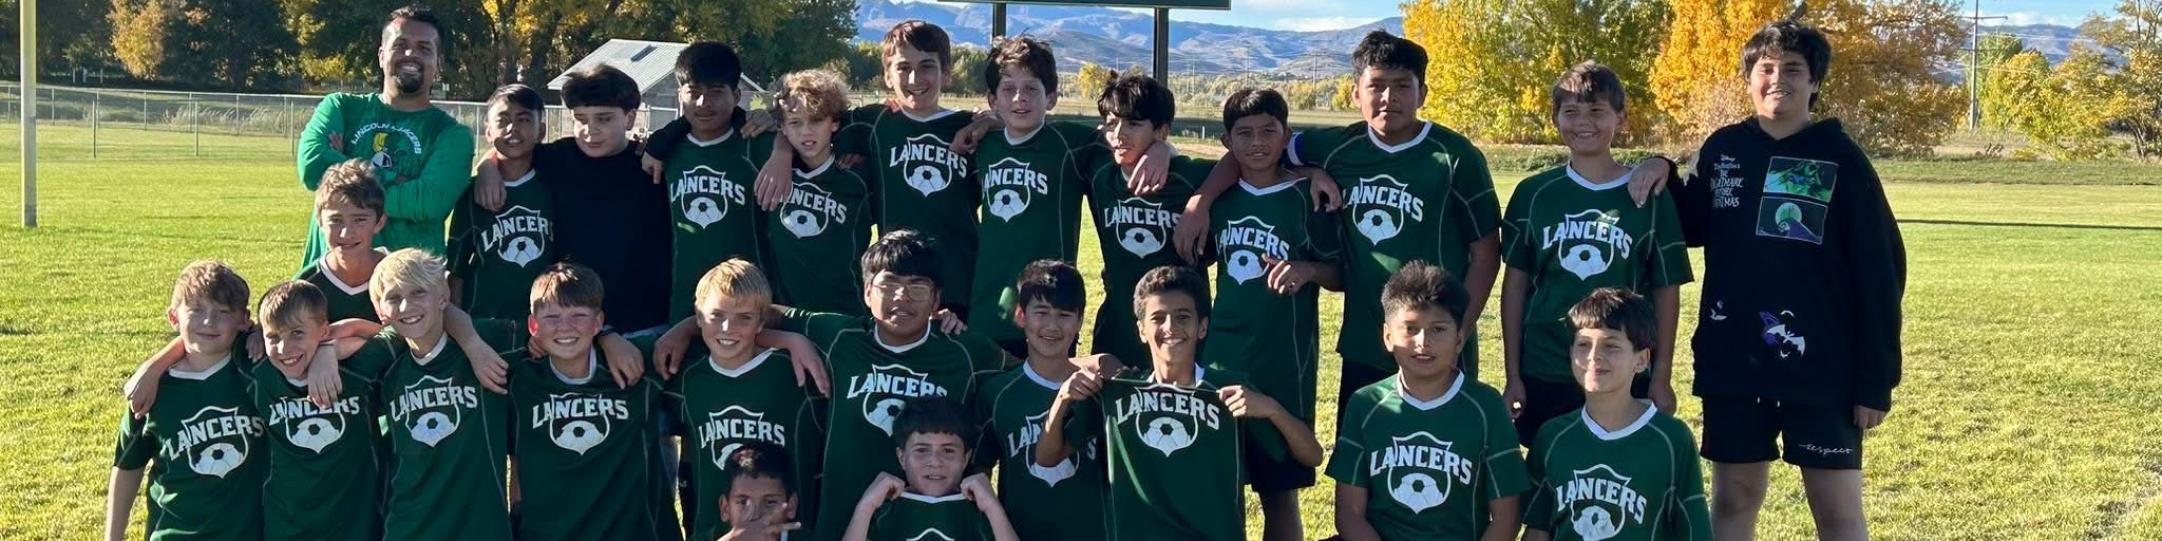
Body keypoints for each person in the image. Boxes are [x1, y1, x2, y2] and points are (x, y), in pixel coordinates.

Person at [1670, 20, 1906, 541]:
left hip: (1823, 366)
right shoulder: (1724, 149)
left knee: (1836, 509)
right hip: (1735, 360)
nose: (1779, 79)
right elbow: (1691, 226)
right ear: (1750, 78)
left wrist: (1876, 378)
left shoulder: (1839, 157)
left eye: (1793, 70)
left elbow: (1881, 270)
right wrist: (1660, 171)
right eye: (1767, 69)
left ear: (1815, 83)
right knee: (1733, 499)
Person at [653, 229, 1008, 541]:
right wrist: (687, 328)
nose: (902, 297)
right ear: (867, 292)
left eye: (917, 287)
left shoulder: (966, 351)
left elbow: (1031, 374)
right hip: (843, 520)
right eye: (889, 285)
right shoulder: (838, 336)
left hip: (931, 521)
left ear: (936, 299)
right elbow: (752, 312)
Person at [1037, 266, 1323, 541]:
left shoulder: (1228, 390)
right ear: (1141, 329)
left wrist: (1272, 409)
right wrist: (1062, 399)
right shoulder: (1118, 392)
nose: (1170, 327)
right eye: (1158, 318)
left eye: (1183, 317)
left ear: (1202, 328)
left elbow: (1312, 456)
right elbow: (1047, 457)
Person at [1500, 61, 1692, 444]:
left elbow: (1667, 290)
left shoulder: (1650, 194)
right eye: (1570, 111)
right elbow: (1516, 287)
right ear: (1554, 118)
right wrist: (1513, 375)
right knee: (1547, 475)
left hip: (1622, 365)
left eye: (1597, 111)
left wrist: (1662, 375)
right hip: (1546, 362)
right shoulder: (1533, 193)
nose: (1583, 122)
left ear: (1620, 118)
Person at [958, 36, 1170, 357]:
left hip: (1053, 305)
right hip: (989, 304)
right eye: (1008, 89)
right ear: (992, 99)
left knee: (1050, 397)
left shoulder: (1072, 142)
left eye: (1032, 88)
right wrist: (986, 123)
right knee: (992, 397)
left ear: (1052, 97)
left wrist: (1162, 148)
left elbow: (1124, 141)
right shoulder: (981, 145)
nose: (1020, 98)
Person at [1199, 87, 1344, 541]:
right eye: (1244, 133)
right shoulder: (1218, 199)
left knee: (1279, 491)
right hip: (1221, 356)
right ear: (1227, 141)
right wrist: (1196, 205)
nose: (1257, 142)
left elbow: (1341, 275)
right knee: (1218, 486)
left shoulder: (1307, 197)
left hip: (1285, 360)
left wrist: (1306, 270)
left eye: (1268, 131)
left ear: (1287, 136)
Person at [1328, 262, 1527, 541]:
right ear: (1388, 336)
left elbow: (1507, 517)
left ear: (1459, 338)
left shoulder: (1486, 407)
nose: (1423, 342)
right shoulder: (1366, 404)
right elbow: (1349, 514)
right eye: (1410, 329)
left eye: (1438, 330)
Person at [474, 64, 672, 335]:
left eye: (603, 119)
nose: (591, 130)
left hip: (644, 321)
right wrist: (488, 167)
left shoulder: (651, 164)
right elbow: (510, 151)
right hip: (573, 322)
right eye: (581, 119)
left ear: (629, 118)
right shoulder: (558, 157)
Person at [1521, 288, 1711, 541]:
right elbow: (1537, 530)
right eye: (1583, 345)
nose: (1594, 356)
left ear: (1642, 360)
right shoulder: (1553, 436)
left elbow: (1694, 532)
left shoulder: (1671, 439)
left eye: (1611, 346)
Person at [660, 260, 825, 541]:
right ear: (698, 317)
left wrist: (792, 339)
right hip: (714, 532)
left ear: (761, 321)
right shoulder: (685, 371)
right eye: (716, 315)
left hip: (788, 532)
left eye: (744, 318)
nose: (727, 327)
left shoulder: (794, 370)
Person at [508, 263, 675, 541]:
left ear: (598, 322)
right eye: (552, 317)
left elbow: (713, 330)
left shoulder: (636, 364)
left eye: (578, 315)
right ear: (533, 325)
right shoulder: (519, 378)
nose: (565, 326)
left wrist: (612, 337)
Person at [295, 5, 474, 265]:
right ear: (381, 55)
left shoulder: (452, 135)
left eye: (424, 48)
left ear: (439, 63)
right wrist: (398, 180)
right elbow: (313, 167)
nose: (410, 53)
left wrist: (345, 165)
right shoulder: (341, 108)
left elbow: (429, 202)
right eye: (400, 45)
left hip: (408, 292)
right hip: (331, 286)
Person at [105, 262, 265, 541]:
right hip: (175, 533)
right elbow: (128, 466)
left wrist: (261, 333)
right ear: (173, 317)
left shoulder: (257, 370)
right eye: (196, 310)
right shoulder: (153, 389)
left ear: (243, 320)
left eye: (223, 312)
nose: (208, 322)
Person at [967, 260, 1121, 541]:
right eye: (1041, 312)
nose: (1052, 325)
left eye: (1064, 315)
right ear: (1021, 316)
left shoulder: (1101, 390)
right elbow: (976, 476)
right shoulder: (997, 394)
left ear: (1079, 321)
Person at [1083, 72, 1210, 367]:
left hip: (1179, 327)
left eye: (1134, 124)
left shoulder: (1186, 175)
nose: (1120, 134)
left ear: (1161, 130)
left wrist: (1201, 201)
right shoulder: (1100, 170)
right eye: (1113, 124)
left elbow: (1237, 163)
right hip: (1119, 322)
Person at [251, 280, 390, 541]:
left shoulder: (356, 370)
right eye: (273, 336)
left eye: (297, 333)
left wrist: (331, 349)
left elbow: (397, 334)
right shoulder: (258, 373)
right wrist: (155, 366)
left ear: (324, 331)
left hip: (356, 525)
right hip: (287, 527)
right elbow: (203, 342)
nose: (284, 348)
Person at [765, 69, 875, 315]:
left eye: (816, 120)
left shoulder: (859, 175)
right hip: (782, 315)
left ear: (834, 122)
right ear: (782, 126)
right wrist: (779, 152)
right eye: (795, 122)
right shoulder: (770, 168)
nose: (806, 131)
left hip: (845, 312)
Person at [449, 83, 556, 322]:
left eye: (524, 120)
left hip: (544, 326)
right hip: (483, 322)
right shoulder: (471, 193)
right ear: (487, 131)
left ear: (542, 131)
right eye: (503, 120)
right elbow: (457, 271)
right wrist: (457, 328)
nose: (512, 129)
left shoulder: (555, 186)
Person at [841, 398, 1019, 541]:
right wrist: (865, 507)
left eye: (948, 450)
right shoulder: (883, 512)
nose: (935, 462)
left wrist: (993, 508)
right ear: (902, 457)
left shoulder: (979, 513)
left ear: (965, 459)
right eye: (921, 450)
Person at [299, 159, 392, 323]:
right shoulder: (307, 284)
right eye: (336, 220)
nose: (346, 232)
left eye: (359, 220)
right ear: (320, 221)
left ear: (379, 222)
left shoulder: (399, 276)